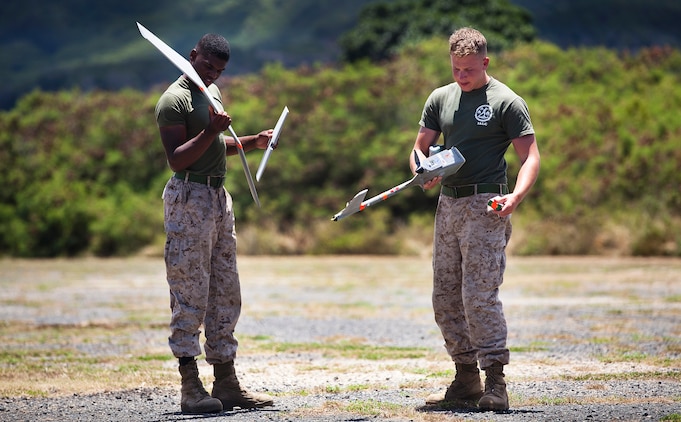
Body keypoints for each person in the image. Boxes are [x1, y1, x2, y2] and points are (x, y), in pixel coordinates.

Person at [410, 27, 540, 411]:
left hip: (487, 204)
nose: (461, 76)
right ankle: (465, 376)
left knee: (478, 296)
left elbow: (530, 156)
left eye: (468, 69)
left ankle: (495, 381)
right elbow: (419, 148)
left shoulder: (507, 102)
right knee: (445, 297)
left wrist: (515, 197)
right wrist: (423, 169)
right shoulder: (440, 98)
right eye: (455, 69)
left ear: (485, 62)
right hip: (448, 205)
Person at [154, 33, 275, 414]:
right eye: (207, 67)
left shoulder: (211, 92)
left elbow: (212, 146)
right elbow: (177, 158)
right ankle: (190, 386)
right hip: (188, 199)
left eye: (219, 71)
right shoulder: (174, 100)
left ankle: (226, 381)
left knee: (225, 292)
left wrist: (251, 142)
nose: (212, 75)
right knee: (190, 291)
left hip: (218, 200)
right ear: (193, 56)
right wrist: (211, 129)